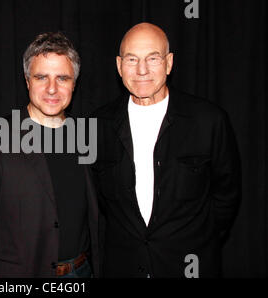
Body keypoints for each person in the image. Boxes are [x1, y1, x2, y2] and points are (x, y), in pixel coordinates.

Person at [92, 23, 241, 278]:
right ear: (118, 65)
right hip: (123, 268)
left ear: (169, 63)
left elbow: (227, 196)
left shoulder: (208, 121)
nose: (142, 70)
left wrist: (193, 240)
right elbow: (97, 202)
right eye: (132, 59)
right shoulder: (97, 126)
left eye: (153, 58)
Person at [0, 32, 100, 278]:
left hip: (82, 272)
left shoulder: (84, 136)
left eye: (62, 78)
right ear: (27, 81)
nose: (52, 88)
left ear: (74, 83)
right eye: (42, 77)